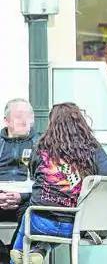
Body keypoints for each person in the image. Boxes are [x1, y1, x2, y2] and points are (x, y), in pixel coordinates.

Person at [10, 102, 107, 264]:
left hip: (40, 222)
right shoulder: (93, 149)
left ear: (51, 124)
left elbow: (33, 174)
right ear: (81, 123)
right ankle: (39, 250)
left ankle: (20, 250)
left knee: (28, 215)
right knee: (59, 224)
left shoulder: (40, 147)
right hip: (77, 224)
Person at [0, 99, 39, 259]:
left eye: (29, 116)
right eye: (19, 116)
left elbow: (46, 182)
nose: (25, 121)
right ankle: (3, 255)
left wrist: (22, 196)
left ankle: (14, 255)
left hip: (25, 201)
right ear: (6, 121)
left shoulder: (40, 144)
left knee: (34, 212)